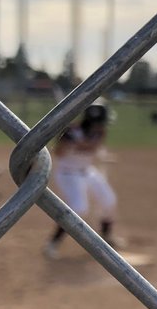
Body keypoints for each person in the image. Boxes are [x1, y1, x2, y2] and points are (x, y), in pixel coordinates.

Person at [44, 101, 120, 258]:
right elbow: (57, 152)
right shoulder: (71, 132)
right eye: (101, 123)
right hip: (68, 174)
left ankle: (106, 238)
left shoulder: (99, 132)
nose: (102, 126)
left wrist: (80, 144)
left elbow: (94, 146)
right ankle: (52, 243)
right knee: (79, 209)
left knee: (109, 201)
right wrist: (67, 141)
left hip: (87, 172)